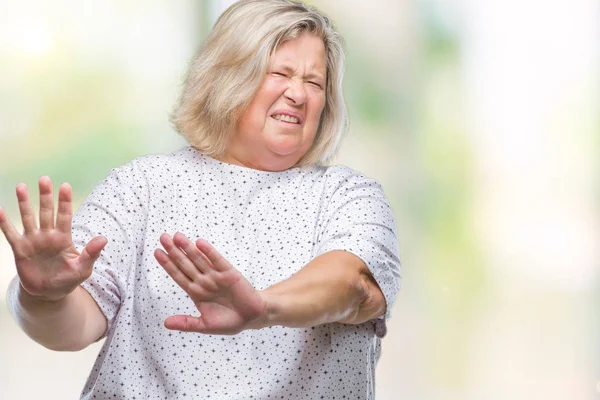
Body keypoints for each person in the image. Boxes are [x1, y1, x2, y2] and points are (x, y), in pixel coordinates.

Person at [0, 0, 401, 398]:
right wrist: (42, 296)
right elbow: (73, 327)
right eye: (280, 73)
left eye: (314, 82)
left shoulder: (348, 195)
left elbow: (355, 287)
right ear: (227, 76)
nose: (298, 94)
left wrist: (260, 307)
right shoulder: (141, 186)